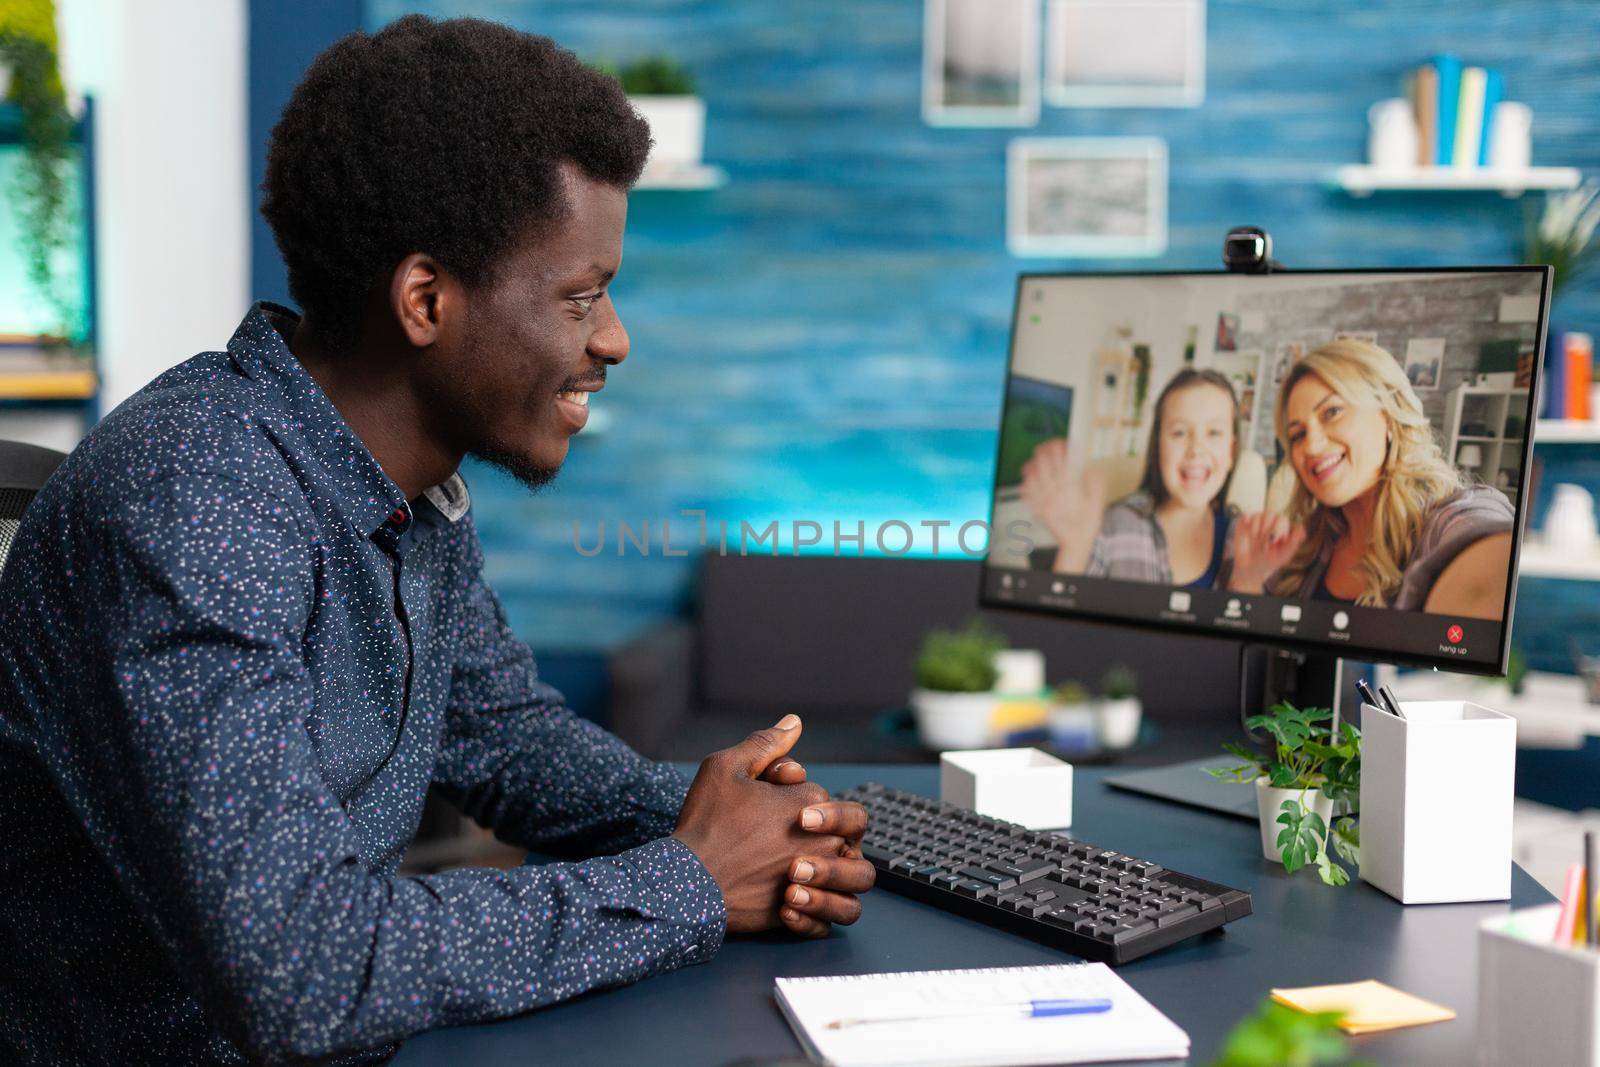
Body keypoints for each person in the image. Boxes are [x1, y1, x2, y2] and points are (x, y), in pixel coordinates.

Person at [0, 18, 873, 1065]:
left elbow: (506, 739)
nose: (615, 338)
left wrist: (758, 821)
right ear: (426, 299)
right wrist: (689, 875)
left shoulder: (406, 486)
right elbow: (304, 970)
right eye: (581, 296)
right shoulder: (199, 499)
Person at [1229, 339, 1514, 617]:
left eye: (1332, 412)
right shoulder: (1308, 545)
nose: (1312, 446)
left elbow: (1487, 543)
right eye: (1297, 434)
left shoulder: (1445, 521)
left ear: (1389, 416)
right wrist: (1247, 581)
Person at [1019, 368, 1242, 587]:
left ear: (1231, 451)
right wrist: (1074, 548)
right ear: (1157, 448)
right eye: (1179, 432)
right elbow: (1062, 614)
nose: (1196, 449)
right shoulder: (1114, 526)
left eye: (1214, 432)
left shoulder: (1245, 539)